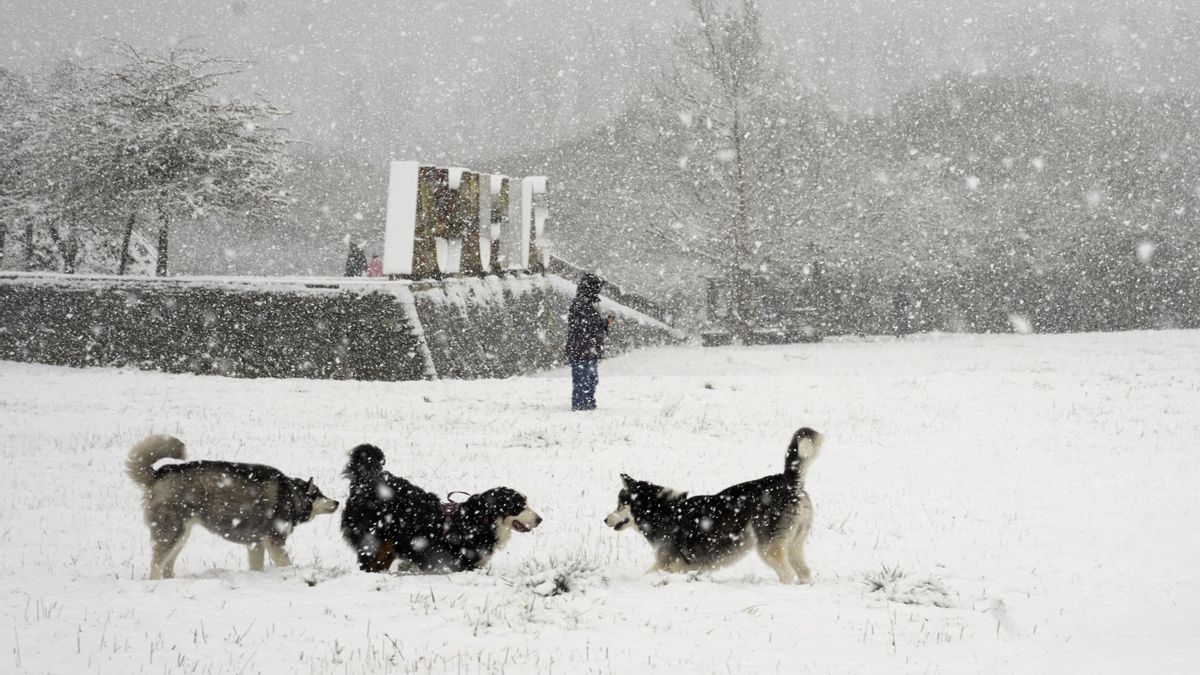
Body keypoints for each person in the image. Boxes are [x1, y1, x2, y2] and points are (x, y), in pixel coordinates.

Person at [565, 273, 613, 411]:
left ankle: (586, 403)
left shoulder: (583, 302)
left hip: (584, 348)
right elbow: (587, 325)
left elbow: (587, 324)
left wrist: (603, 324)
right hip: (583, 348)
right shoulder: (583, 303)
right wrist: (604, 323)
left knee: (589, 378)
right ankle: (581, 404)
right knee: (584, 378)